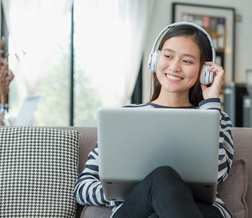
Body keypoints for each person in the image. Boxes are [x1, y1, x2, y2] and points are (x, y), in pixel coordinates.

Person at [74, 22, 233, 218]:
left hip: (202, 209)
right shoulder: (124, 118)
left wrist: (210, 104)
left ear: (204, 70)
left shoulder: (215, 116)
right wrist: (140, 190)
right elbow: (82, 187)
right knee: (162, 178)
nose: (174, 67)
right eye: (167, 56)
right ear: (154, 60)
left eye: (187, 61)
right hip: (136, 209)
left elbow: (217, 175)